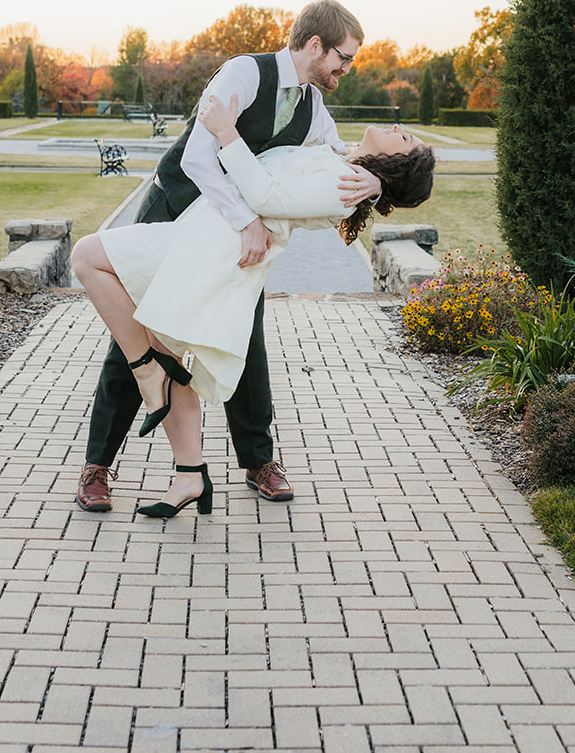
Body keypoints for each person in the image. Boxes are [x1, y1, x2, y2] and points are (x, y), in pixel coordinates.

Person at [71, 96, 435, 517]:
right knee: (169, 351)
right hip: (196, 229)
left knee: (90, 260)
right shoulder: (336, 152)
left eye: (403, 137)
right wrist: (375, 183)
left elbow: (265, 194)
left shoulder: (344, 185)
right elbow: (324, 148)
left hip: (214, 249)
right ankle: (189, 474)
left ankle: (148, 372)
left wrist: (227, 130)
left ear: (397, 163)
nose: (395, 128)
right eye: (342, 57)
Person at [76, 0, 372, 513]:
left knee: (243, 333)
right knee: (141, 327)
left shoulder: (312, 106)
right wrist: (247, 220)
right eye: (344, 58)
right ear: (315, 45)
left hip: (230, 232)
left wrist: (372, 178)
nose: (346, 69)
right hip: (177, 209)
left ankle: (258, 461)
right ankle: (98, 465)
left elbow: (337, 154)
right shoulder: (243, 73)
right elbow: (197, 158)